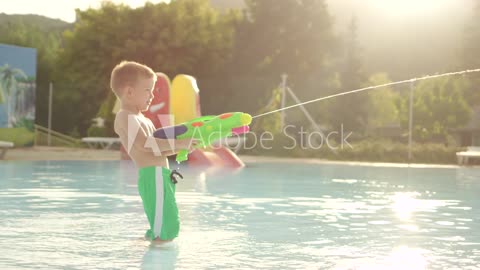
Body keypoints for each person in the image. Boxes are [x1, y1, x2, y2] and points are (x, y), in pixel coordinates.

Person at [111, 60, 195, 242]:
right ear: (129, 92)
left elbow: (156, 151)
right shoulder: (125, 116)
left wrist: (183, 146)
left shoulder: (144, 120)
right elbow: (146, 144)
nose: (152, 96)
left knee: (166, 225)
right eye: (147, 90)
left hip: (161, 176)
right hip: (153, 176)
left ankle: (150, 251)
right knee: (166, 229)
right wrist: (180, 144)